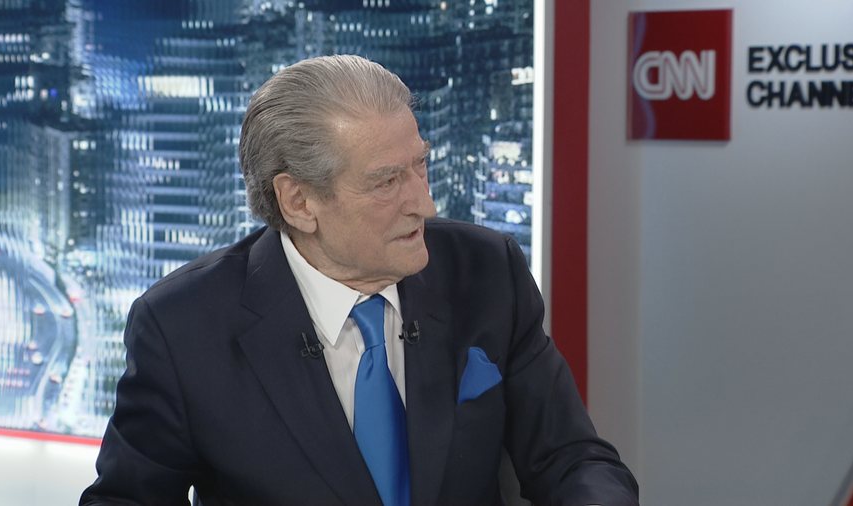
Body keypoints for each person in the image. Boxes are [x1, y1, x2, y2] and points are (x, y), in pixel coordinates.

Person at [80, 55, 638, 506]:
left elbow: (570, 458)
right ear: (299, 202)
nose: (424, 203)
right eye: (386, 181)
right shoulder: (183, 327)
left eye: (420, 165)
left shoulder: (488, 271)